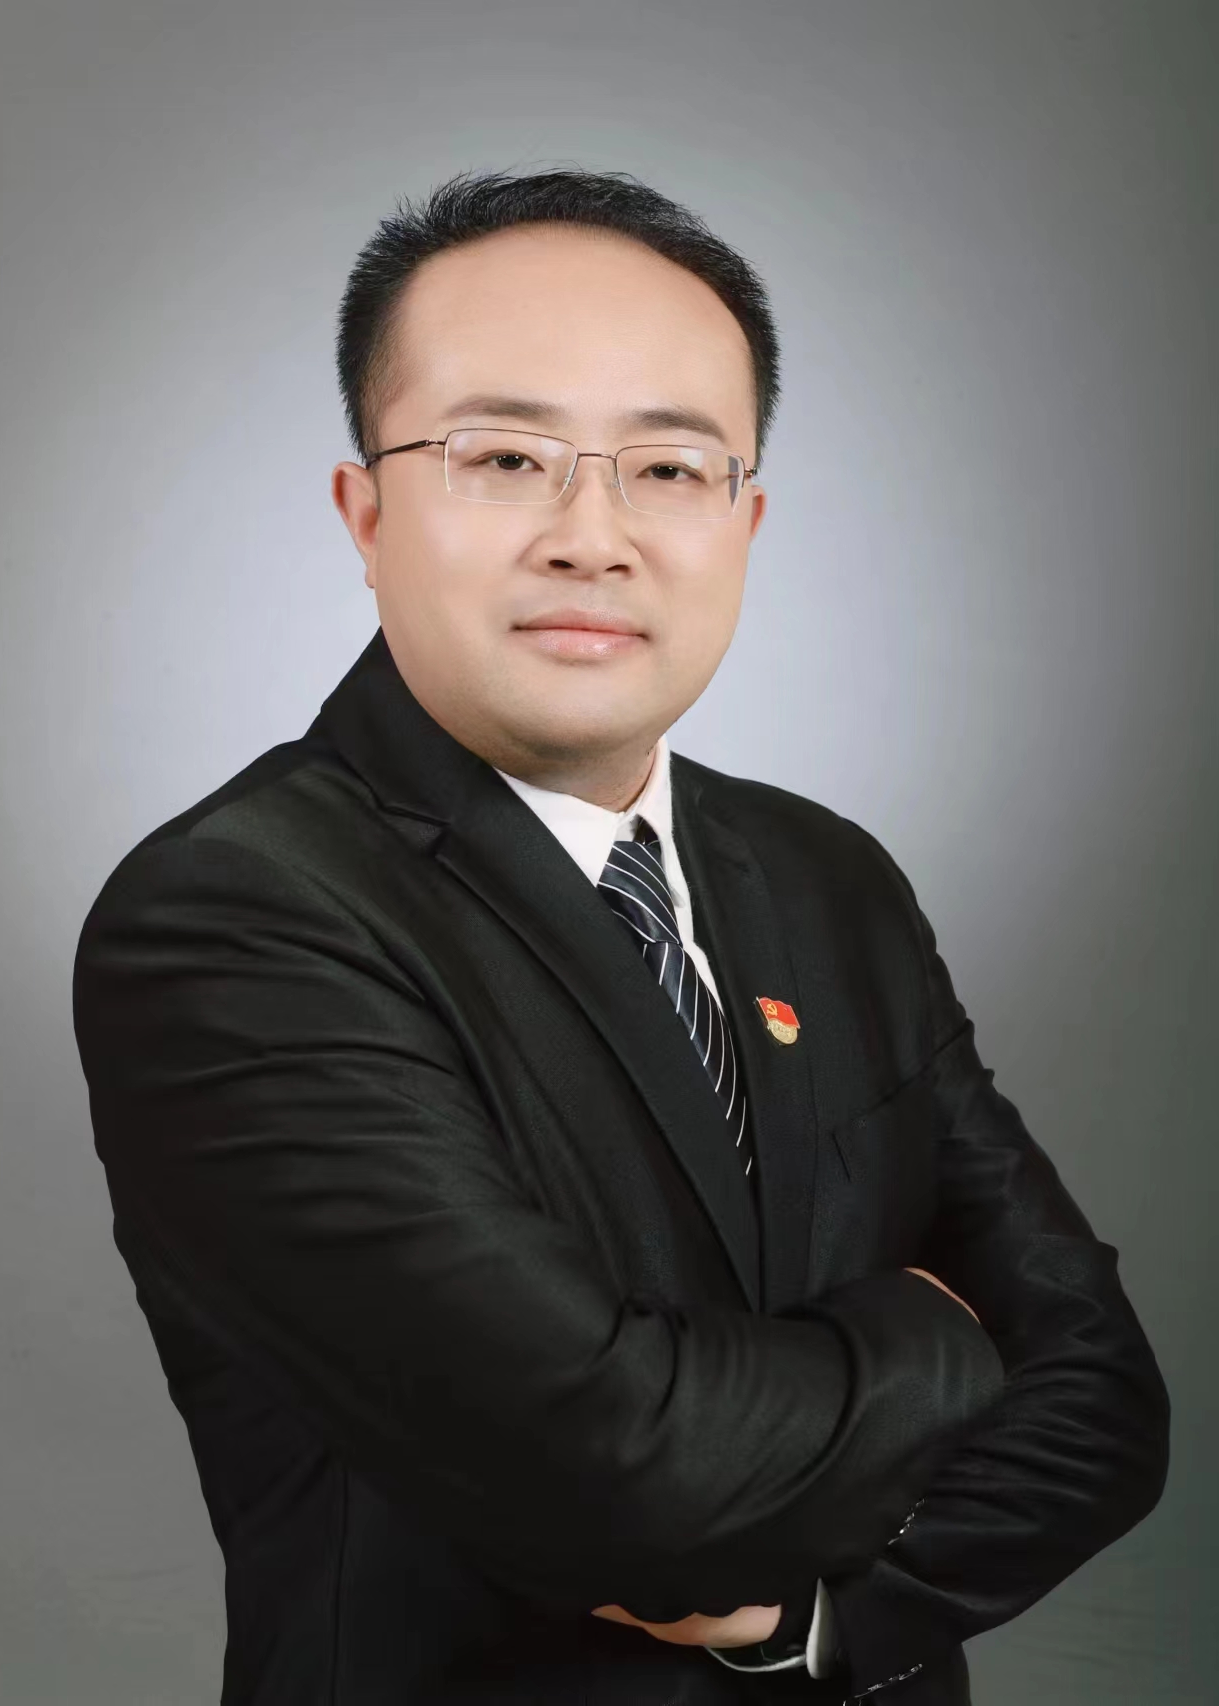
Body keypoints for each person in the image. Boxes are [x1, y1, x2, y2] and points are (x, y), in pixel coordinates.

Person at [71, 169, 1169, 1706]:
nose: (593, 536)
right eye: (505, 456)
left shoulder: (828, 877)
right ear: (365, 514)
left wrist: (815, 1621)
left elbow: (1108, 1400)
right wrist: (941, 1339)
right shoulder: (234, 916)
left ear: (746, 519)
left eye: (669, 467)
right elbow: (619, 1472)